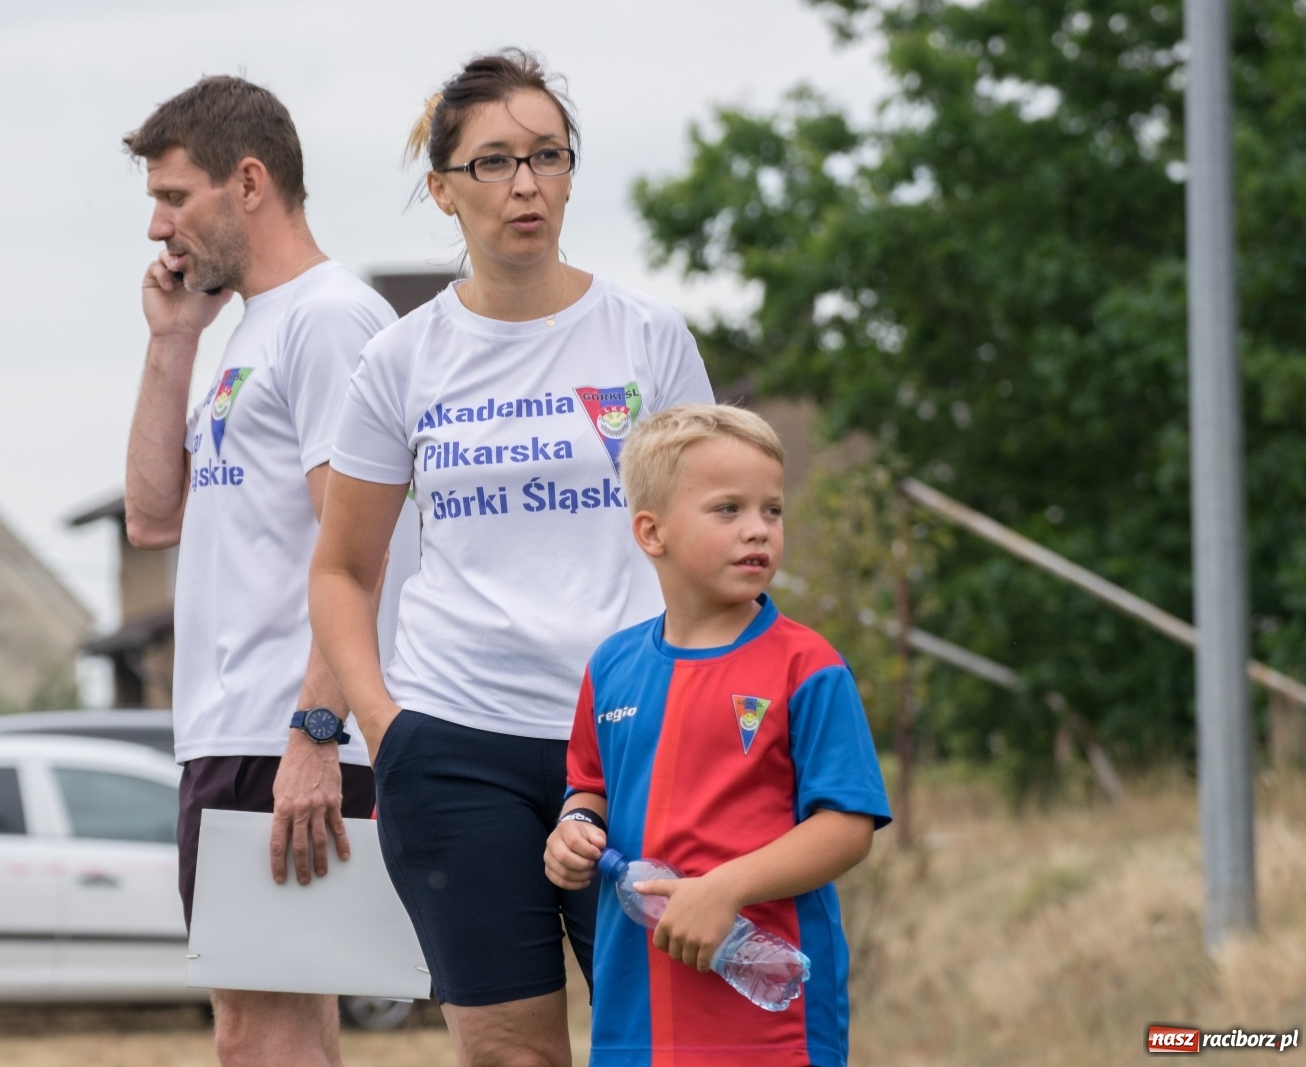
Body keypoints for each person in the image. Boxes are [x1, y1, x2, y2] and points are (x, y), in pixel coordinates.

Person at [308, 50, 715, 1067]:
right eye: (492, 162)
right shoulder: (400, 359)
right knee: (509, 1052)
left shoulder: (647, 339)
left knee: (666, 1041)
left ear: (572, 173)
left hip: (632, 738)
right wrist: (383, 727)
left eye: (546, 156)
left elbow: (713, 542)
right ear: (442, 190)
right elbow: (343, 570)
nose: (525, 184)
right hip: (455, 745)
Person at [121, 76, 404, 1067]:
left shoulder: (331, 320)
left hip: (282, 733)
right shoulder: (252, 330)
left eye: (175, 196)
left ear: (248, 182)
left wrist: (316, 731)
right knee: (273, 1025)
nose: (159, 227)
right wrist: (173, 344)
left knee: (256, 1031)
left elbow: (364, 552)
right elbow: (154, 516)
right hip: (234, 728)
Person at [543, 404, 892, 1066]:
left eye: (772, 510)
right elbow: (588, 788)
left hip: (767, 1015)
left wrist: (724, 888)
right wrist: (571, 828)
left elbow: (846, 827)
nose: (758, 530)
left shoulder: (806, 666)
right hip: (634, 1008)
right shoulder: (611, 667)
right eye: (728, 509)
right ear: (652, 531)